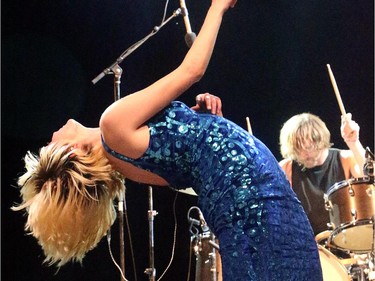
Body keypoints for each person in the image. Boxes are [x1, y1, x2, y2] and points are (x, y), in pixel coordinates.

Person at [12, 1, 323, 280]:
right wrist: (217, 8)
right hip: (252, 202)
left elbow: (194, 156)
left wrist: (202, 118)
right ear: (70, 151)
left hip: (250, 198)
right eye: (47, 148)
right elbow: (191, 70)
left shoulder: (128, 163)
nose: (50, 135)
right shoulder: (112, 126)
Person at [279, 112, 366, 236]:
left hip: (351, 240)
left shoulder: (346, 159)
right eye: (298, 149)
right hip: (310, 247)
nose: (305, 154)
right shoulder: (286, 169)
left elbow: (370, 179)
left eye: (310, 147)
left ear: (321, 140)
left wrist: (353, 142)